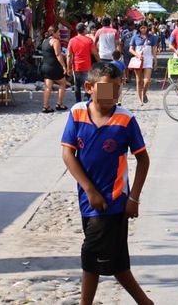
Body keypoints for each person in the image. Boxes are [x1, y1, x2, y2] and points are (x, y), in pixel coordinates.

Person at [61, 62, 154, 305]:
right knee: (116, 262)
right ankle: (146, 303)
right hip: (88, 199)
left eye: (117, 88)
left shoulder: (126, 119)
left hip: (113, 201)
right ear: (89, 87)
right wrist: (89, 190)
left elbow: (143, 159)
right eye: (105, 89)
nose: (112, 94)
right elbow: (68, 153)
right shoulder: (77, 113)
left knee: (91, 255)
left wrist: (133, 197)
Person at [68, 23, 100, 103]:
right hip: (86, 66)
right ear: (84, 30)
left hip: (76, 66)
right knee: (88, 85)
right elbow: (95, 53)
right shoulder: (89, 40)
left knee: (77, 85)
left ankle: (78, 102)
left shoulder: (72, 40)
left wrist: (69, 68)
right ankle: (85, 101)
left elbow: (69, 56)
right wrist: (100, 62)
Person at [40, 26, 68, 113]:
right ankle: (59, 104)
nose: (59, 34)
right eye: (58, 32)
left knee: (48, 87)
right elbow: (58, 55)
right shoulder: (55, 41)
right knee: (63, 83)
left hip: (45, 66)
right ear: (54, 33)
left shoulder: (44, 41)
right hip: (54, 67)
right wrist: (64, 66)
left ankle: (45, 106)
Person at [129, 21, 158, 106]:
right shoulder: (135, 37)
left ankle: (144, 93)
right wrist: (137, 55)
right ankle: (140, 99)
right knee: (138, 81)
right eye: (141, 28)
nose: (143, 29)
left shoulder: (152, 37)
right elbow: (130, 49)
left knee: (147, 80)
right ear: (139, 28)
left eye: (144, 27)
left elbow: (154, 50)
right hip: (138, 60)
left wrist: (155, 60)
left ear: (147, 27)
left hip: (148, 60)